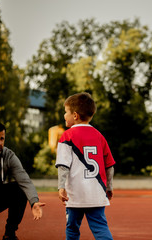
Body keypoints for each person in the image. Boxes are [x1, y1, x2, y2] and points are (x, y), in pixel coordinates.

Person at [56, 92, 115, 240]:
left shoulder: (67, 136)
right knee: (101, 228)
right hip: (96, 193)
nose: (64, 115)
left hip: (75, 194)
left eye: (66, 112)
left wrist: (61, 186)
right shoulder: (99, 136)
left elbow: (63, 165)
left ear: (75, 115)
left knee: (72, 229)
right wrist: (109, 187)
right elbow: (110, 166)